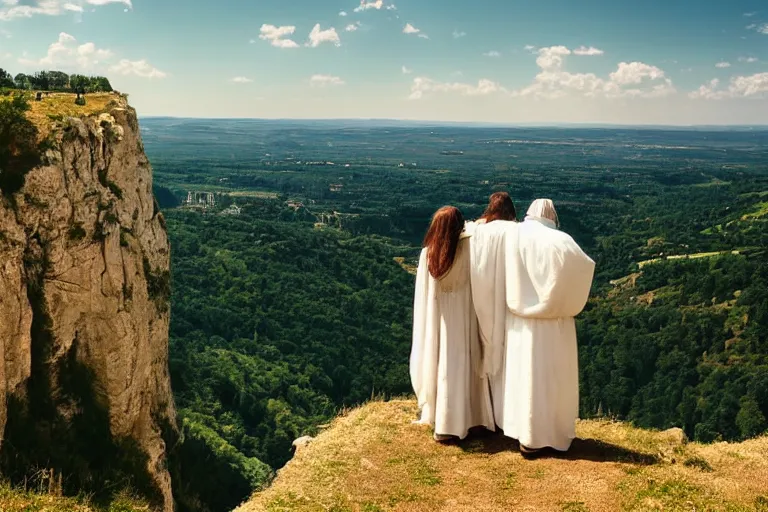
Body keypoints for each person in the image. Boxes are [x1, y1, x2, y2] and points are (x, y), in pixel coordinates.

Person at [470, 199, 594, 456]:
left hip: (520, 323)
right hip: (556, 325)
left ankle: (525, 434)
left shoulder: (515, 235)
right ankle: (554, 435)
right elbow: (585, 266)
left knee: (524, 377)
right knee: (552, 380)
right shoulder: (563, 241)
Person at [411, 206, 495, 441]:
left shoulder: (429, 254)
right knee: (468, 363)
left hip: (440, 318)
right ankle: (474, 418)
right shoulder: (470, 250)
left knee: (444, 364)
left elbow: (424, 294)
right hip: (466, 315)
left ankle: (446, 422)